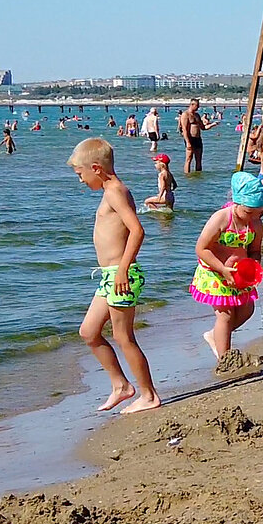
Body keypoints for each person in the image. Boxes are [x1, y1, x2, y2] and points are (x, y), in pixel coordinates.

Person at [66, 138, 159, 414]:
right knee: (89, 332)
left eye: (80, 174)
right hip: (109, 276)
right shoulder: (110, 190)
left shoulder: (115, 191)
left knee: (123, 336)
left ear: (96, 168)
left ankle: (149, 394)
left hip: (121, 274)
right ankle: (121, 386)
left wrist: (122, 269)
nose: (80, 181)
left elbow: (137, 230)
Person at [190, 172, 263, 362]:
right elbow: (201, 248)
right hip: (215, 272)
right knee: (225, 314)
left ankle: (214, 336)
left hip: (240, 274)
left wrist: (254, 265)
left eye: (258, 212)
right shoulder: (222, 218)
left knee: (247, 310)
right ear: (237, 202)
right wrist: (222, 269)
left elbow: (255, 250)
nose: (253, 217)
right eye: (249, 212)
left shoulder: (255, 223)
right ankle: (225, 358)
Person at [180, 98, 215, 173]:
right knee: (189, 158)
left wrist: (213, 124)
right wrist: (188, 142)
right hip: (190, 138)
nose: (198, 107)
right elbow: (184, 129)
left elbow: (203, 127)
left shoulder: (197, 115)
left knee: (198, 159)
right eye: (197, 106)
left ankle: (198, 174)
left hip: (198, 138)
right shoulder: (185, 114)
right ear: (192, 105)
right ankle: (187, 175)